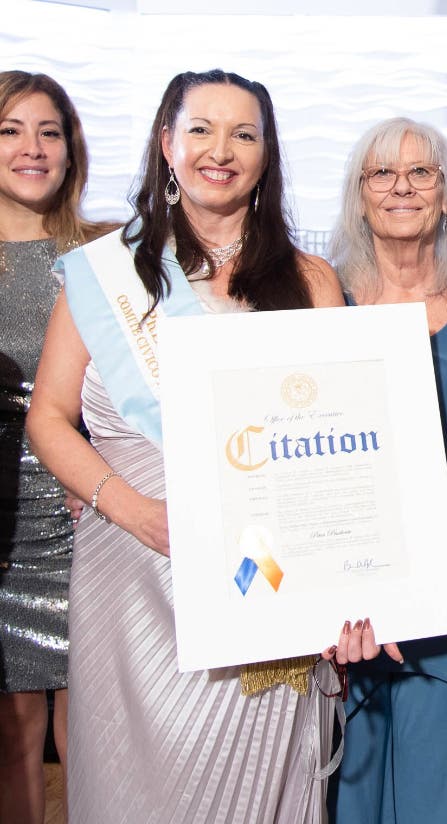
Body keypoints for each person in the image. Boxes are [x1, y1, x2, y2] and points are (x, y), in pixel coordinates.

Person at [26, 69, 345, 823]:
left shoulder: (309, 281)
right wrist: (133, 510)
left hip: (266, 583)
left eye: (244, 133)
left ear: (266, 155)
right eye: (200, 128)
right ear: (167, 144)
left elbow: (339, 448)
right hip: (131, 576)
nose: (220, 149)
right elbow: (47, 417)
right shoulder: (103, 277)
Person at [324, 117, 447, 824]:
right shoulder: (320, 296)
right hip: (346, 595)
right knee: (351, 790)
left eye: (420, 172)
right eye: (380, 173)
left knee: (446, 795)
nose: (400, 187)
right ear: (358, 194)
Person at [0, 69, 113, 824]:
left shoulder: (108, 256)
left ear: (72, 151)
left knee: (97, 732)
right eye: (10, 130)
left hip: (92, 514)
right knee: (12, 739)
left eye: (49, 132)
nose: (32, 148)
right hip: (3, 527)